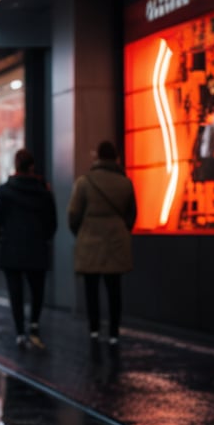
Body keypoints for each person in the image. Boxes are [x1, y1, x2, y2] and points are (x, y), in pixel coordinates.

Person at [68, 140, 137, 346]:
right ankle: (114, 332)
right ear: (115, 157)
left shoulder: (85, 182)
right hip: (116, 240)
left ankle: (94, 330)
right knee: (114, 289)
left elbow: (73, 214)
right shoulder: (125, 182)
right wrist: (122, 230)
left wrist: (81, 233)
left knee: (92, 288)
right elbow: (132, 213)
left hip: (90, 240)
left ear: (97, 156)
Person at [0, 150, 58, 348]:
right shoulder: (43, 191)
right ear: (32, 166)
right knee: (37, 290)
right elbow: (52, 222)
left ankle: (20, 331)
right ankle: (34, 324)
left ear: (16, 166)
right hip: (36, 247)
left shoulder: (5, 190)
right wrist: (43, 238)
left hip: (11, 248)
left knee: (15, 292)